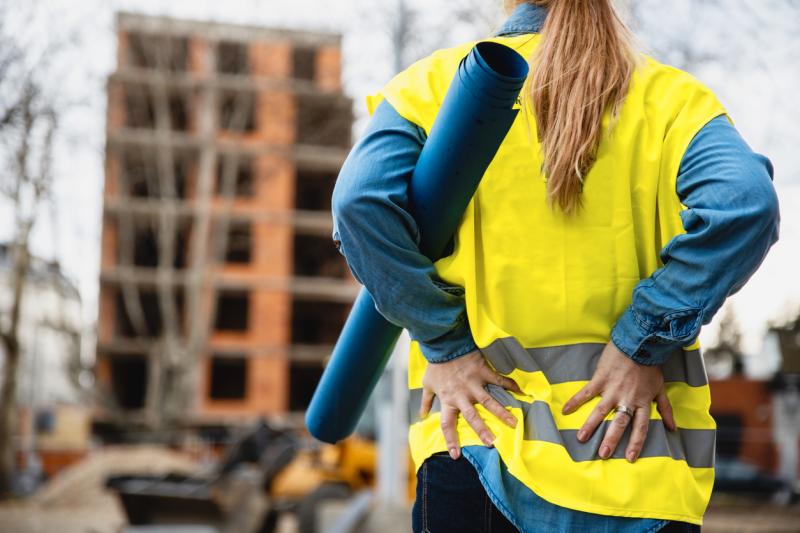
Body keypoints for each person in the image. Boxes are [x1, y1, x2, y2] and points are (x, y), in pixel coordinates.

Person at [331, 1, 780, 532]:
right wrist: (640, 342)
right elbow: (745, 205)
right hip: (637, 463)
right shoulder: (671, 100)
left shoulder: (433, 87)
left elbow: (360, 203)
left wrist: (445, 343)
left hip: (479, 445)